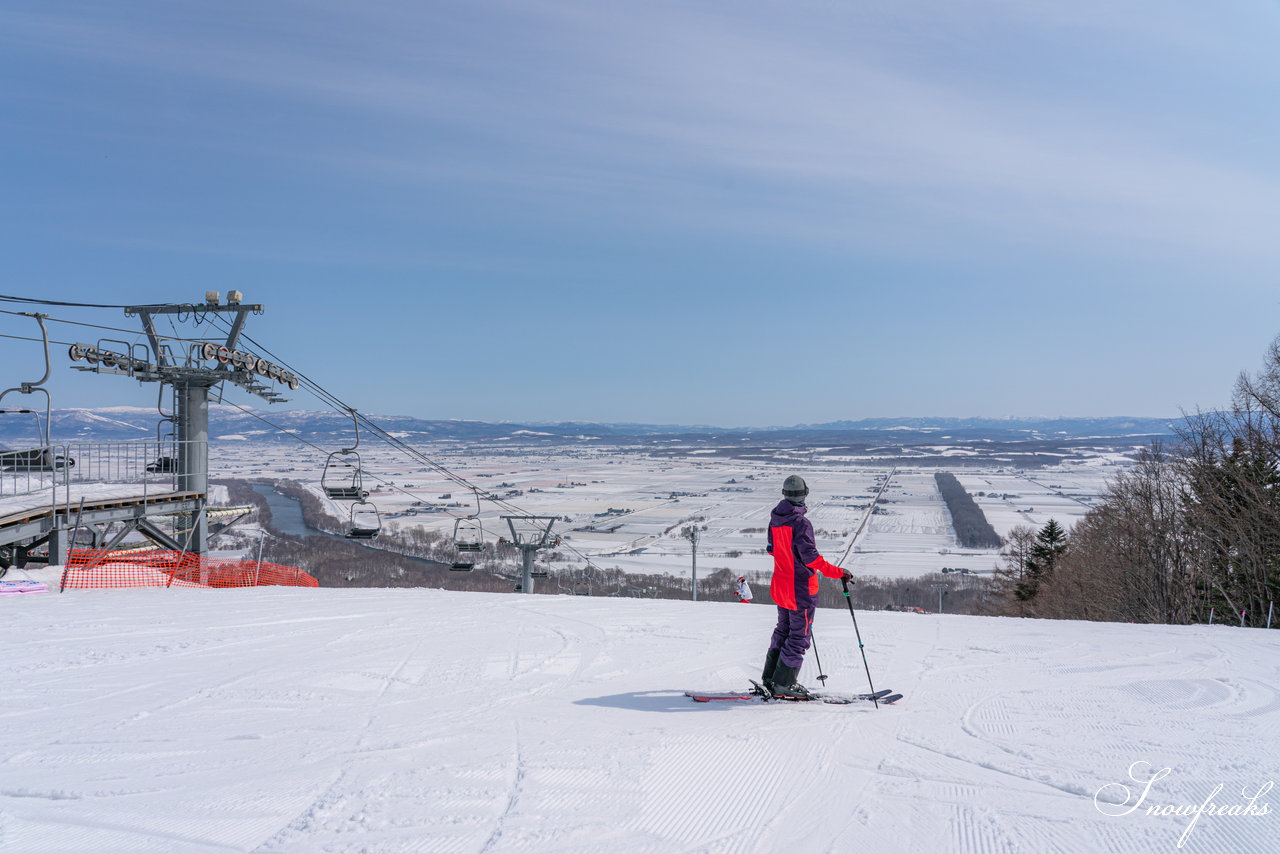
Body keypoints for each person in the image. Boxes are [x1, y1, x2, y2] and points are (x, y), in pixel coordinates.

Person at [761, 475, 852, 699]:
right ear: (805, 494)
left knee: (783, 631)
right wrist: (839, 572)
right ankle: (784, 684)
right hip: (800, 590)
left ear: (784, 494)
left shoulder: (776, 519)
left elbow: (772, 549)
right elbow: (811, 559)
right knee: (799, 637)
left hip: (781, 587)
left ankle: (771, 678)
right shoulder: (800, 523)